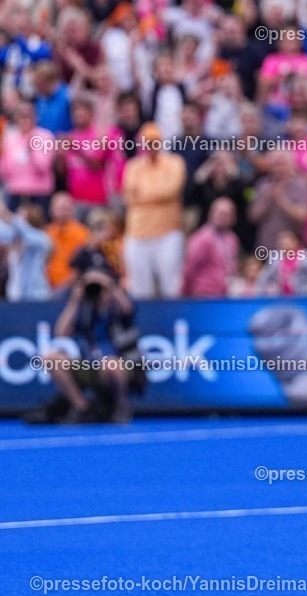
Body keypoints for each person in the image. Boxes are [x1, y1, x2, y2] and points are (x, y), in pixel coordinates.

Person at [25, 268, 144, 424]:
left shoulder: (117, 308)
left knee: (110, 363)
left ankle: (122, 406)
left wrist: (106, 283)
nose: (97, 292)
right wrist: (74, 301)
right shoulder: (85, 310)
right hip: (91, 365)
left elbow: (127, 308)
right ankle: (82, 407)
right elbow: (61, 332)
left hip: (123, 366)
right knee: (51, 358)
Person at [122, 122, 187, 298]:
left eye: (154, 141)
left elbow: (171, 190)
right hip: (137, 232)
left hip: (167, 233)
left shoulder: (175, 163)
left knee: (171, 287)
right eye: (147, 141)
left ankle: (173, 323)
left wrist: (143, 194)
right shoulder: (133, 166)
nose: (151, 145)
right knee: (140, 289)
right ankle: (143, 324)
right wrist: (157, 194)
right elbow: (129, 195)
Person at [181, 197, 240, 298]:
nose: (222, 217)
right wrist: (184, 295)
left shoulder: (232, 239)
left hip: (224, 294)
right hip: (203, 295)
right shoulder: (201, 239)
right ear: (211, 214)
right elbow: (189, 269)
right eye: (219, 213)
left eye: (227, 214)